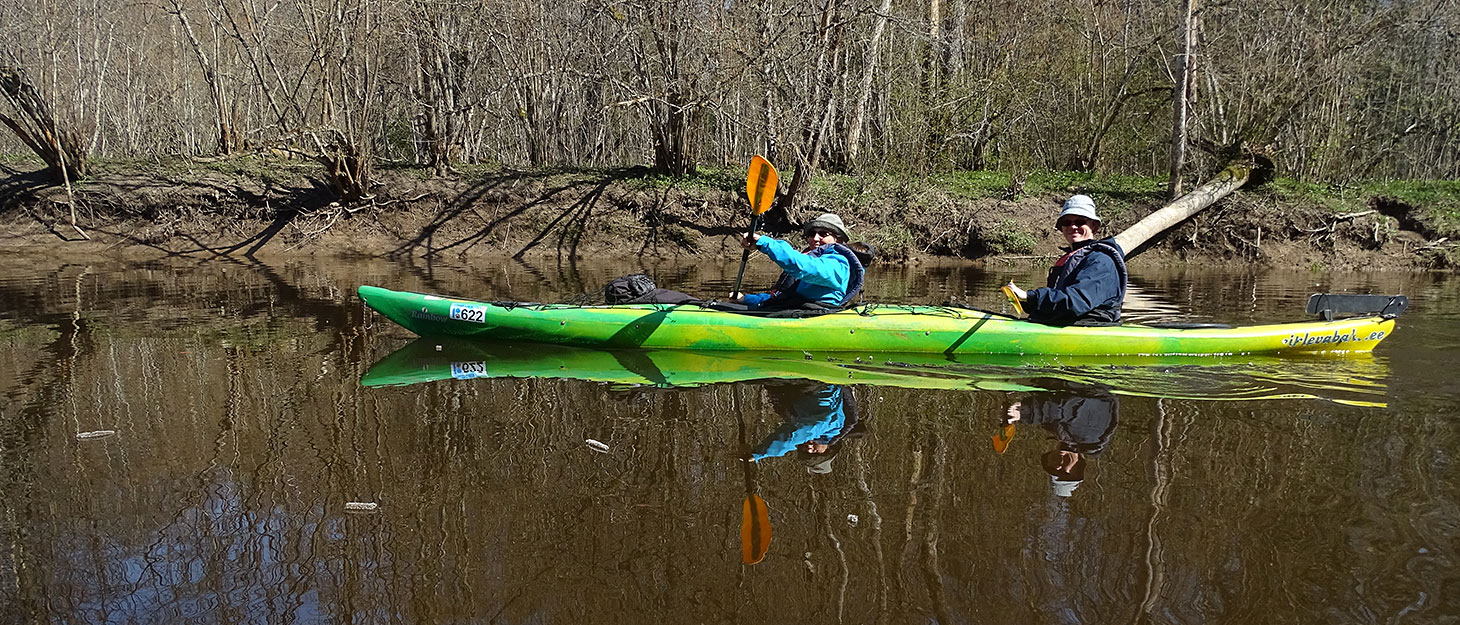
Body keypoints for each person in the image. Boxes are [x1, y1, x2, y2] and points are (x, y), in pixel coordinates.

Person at [1005, 195, 1127, 325]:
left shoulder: (1101, 260)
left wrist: (1031, 296)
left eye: (1080, 221)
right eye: (1067, 222)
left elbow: (1076, 302)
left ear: (1094, 226)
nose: (1073, 227)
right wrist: (1027, 302)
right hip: (1068, 322)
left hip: (1092, 326)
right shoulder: (1072, 257)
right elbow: (1059, 305)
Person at [727, 212, 865, 311]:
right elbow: (783, 299)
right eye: (811, 234)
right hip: (798, 311)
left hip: (814, 317)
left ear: (838, 240)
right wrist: (745, 299)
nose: (815, 238)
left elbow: (802, 266)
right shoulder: (812, 260)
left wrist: (764, 243)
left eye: (823, 233)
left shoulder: (837, 265)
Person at [1003, 381, 1119, 498]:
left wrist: (1019, 387)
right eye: (1064, 473)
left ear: (1048, 458)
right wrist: (1025, 412)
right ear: (1078, 468)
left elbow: (1055, 403)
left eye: (1053, 470)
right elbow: (1069, 410)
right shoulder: (1092, 438)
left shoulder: (1057, 429)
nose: (1058, 467)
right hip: (1089, 378)